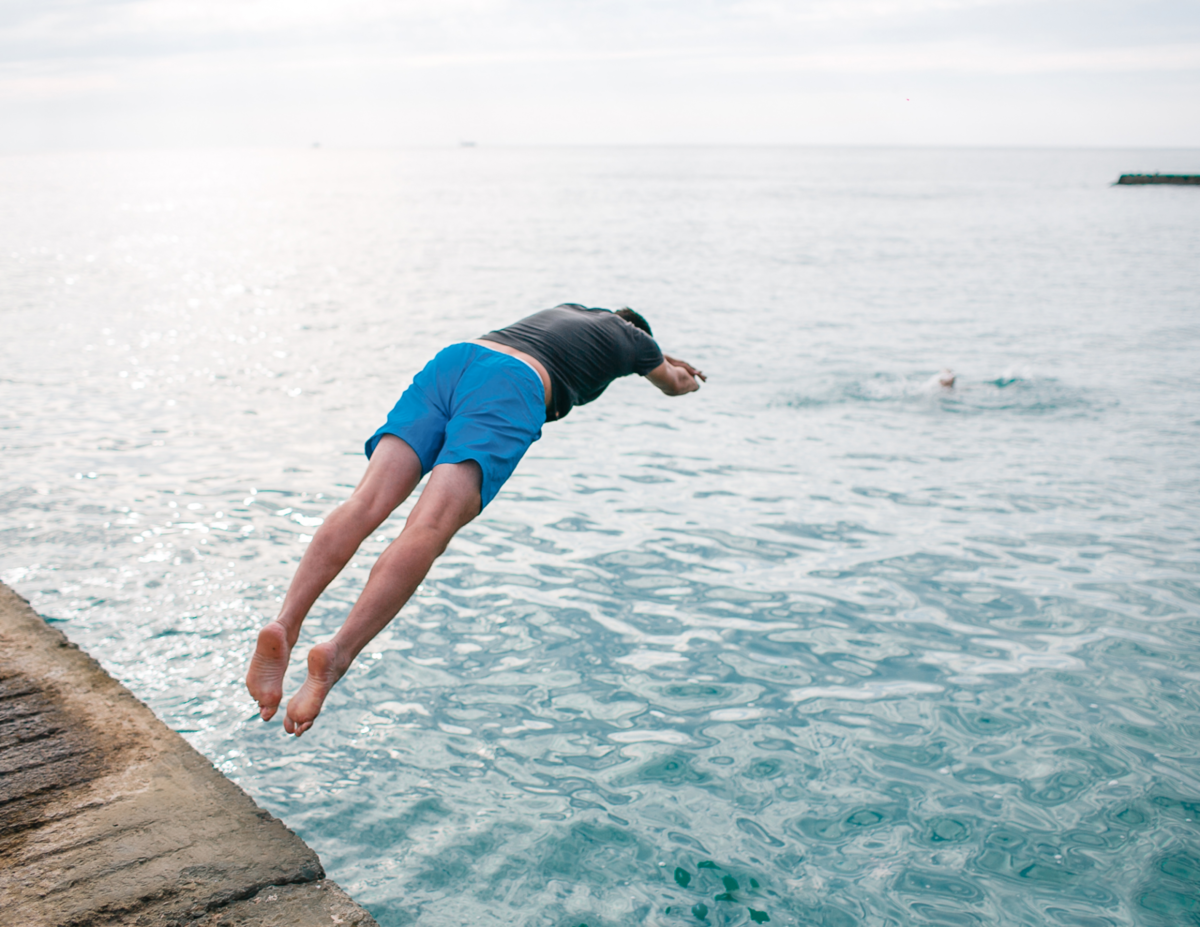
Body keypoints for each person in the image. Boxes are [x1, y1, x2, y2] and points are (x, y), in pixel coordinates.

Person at [245, 304, 705, 736]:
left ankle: (286, 623)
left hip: (456, 362)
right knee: (428, 528)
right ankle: (338, 652)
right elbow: (672, 381)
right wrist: (687, 378)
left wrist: (652, 354)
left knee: (365, 503)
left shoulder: (575, 313)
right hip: (511, 386)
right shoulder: (635, 343)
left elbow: (623, 345)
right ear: (641, 337)